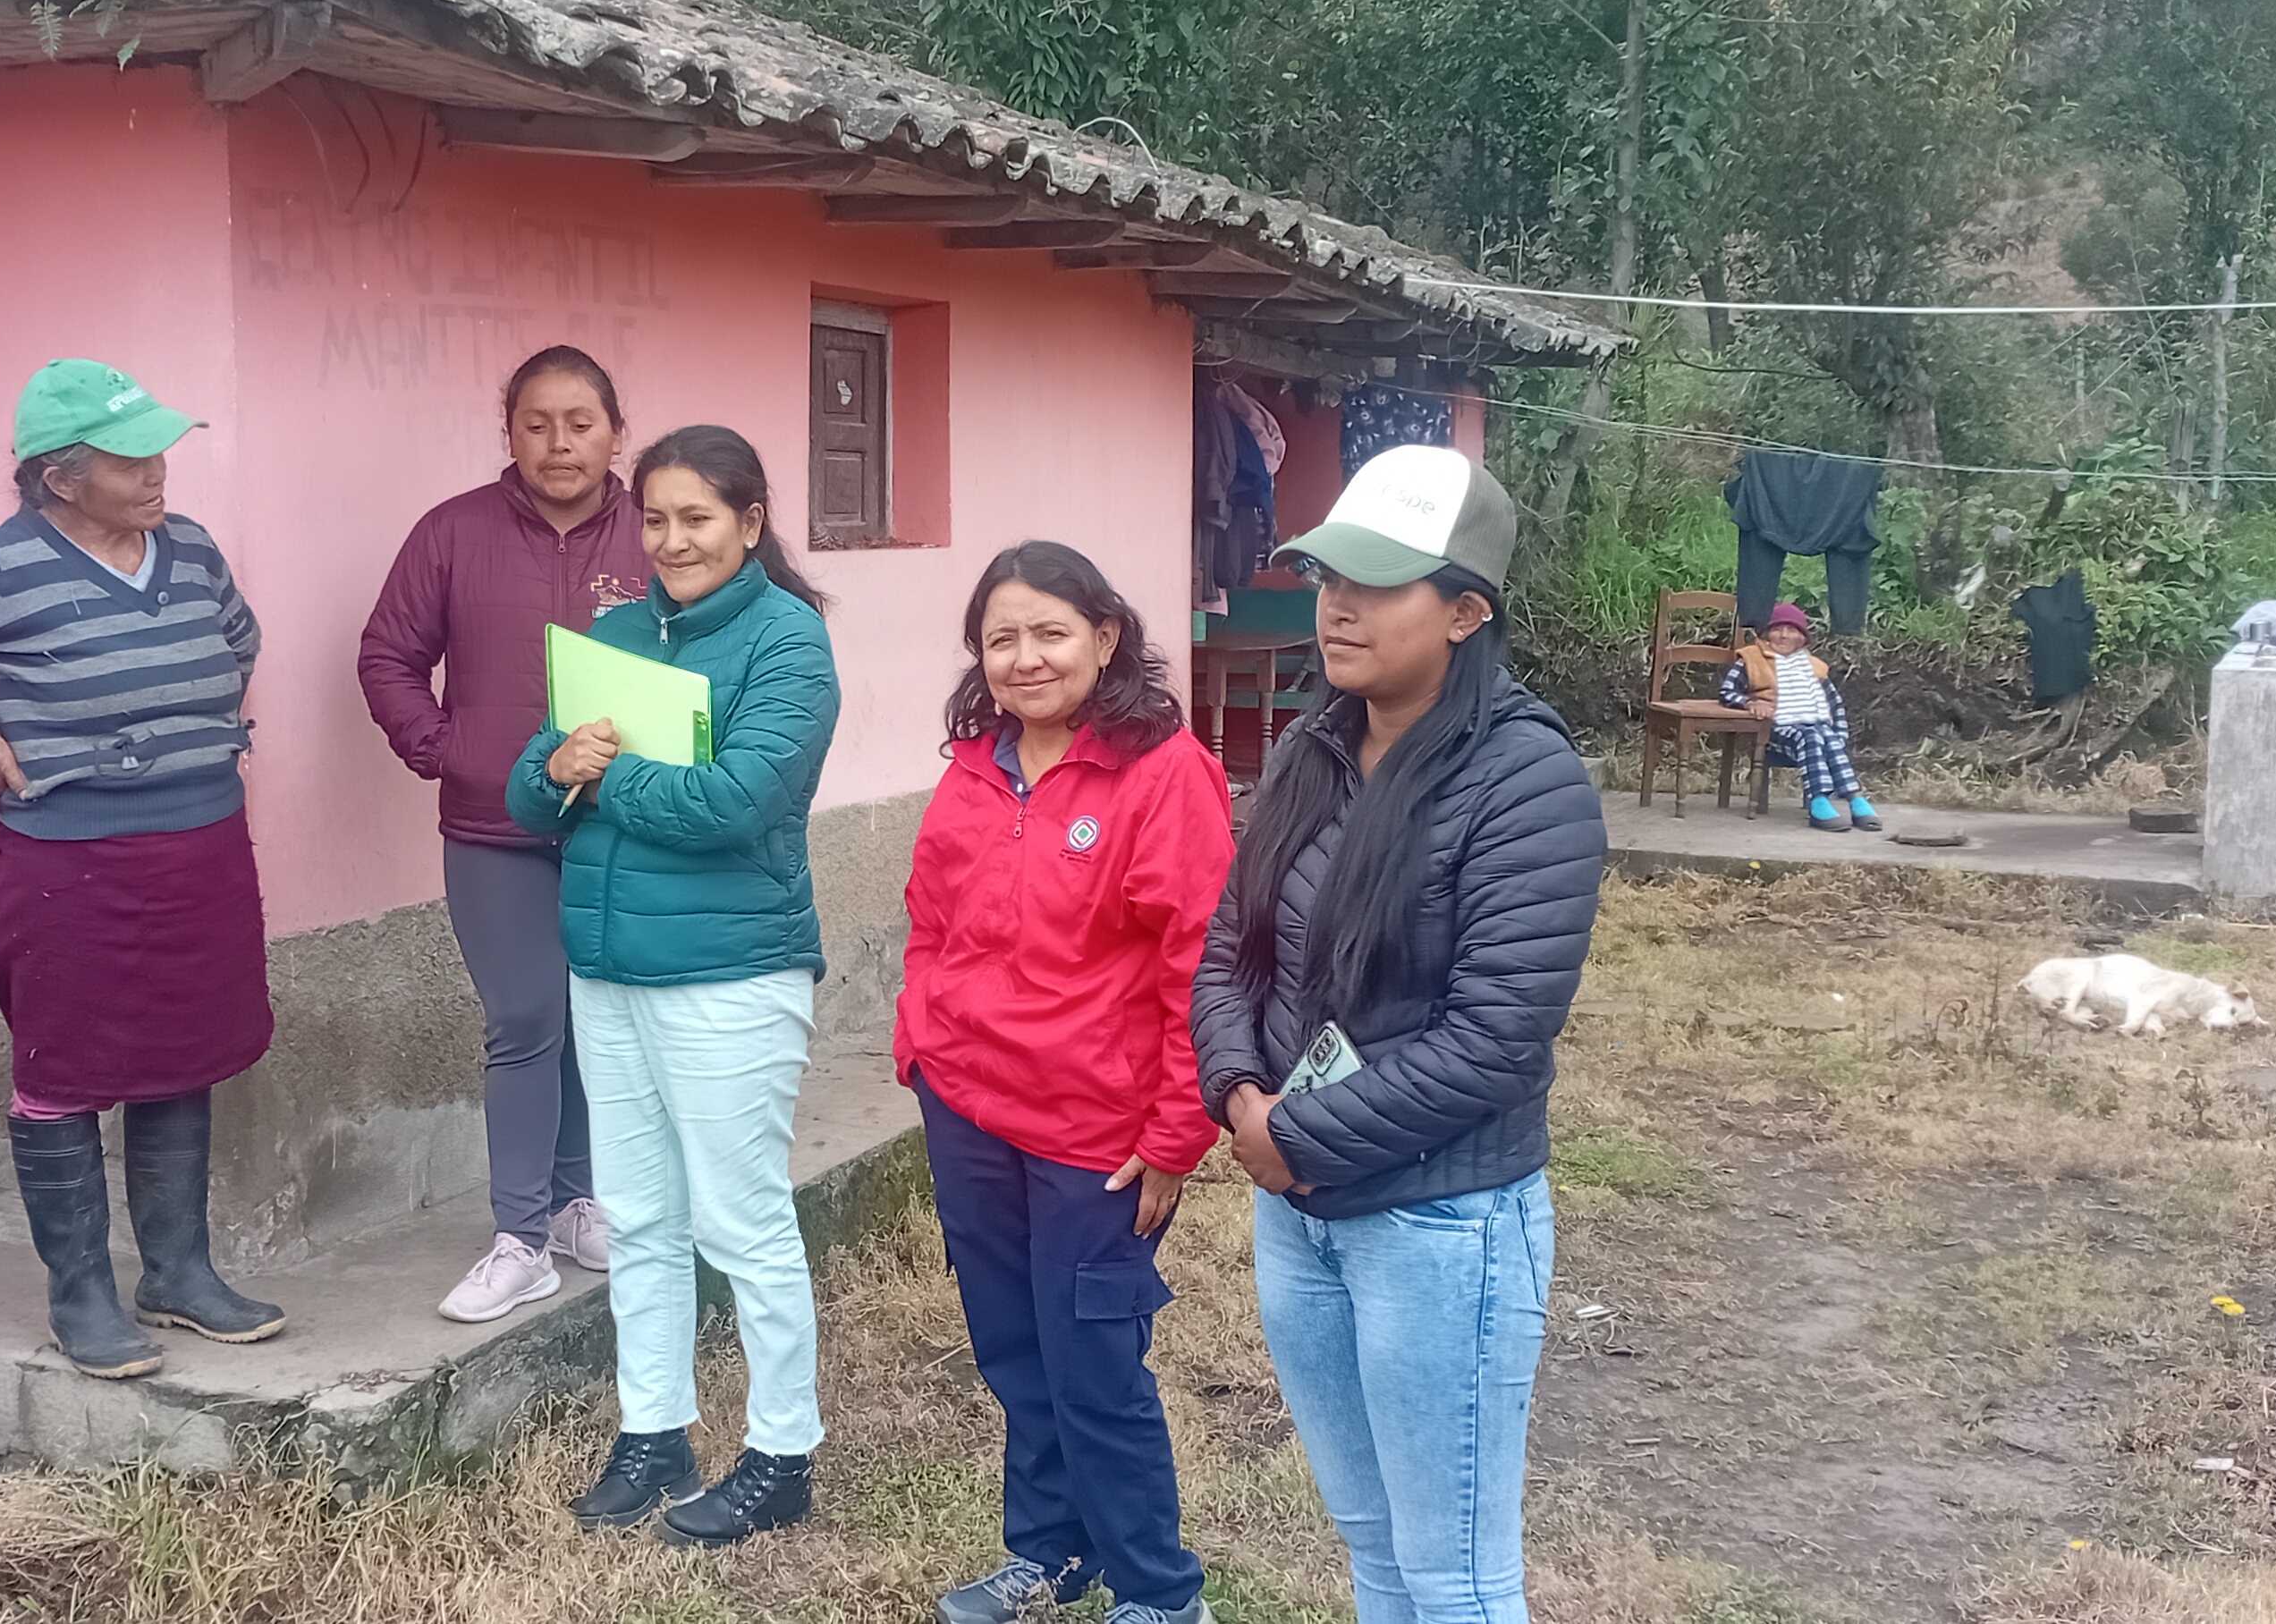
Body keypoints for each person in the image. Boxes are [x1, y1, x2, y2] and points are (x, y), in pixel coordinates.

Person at [1192, 444, 1606, 1623]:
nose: (1338, 606)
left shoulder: (1527, 781)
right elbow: (1230, 953)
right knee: (1374, 1550)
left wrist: (1294, 1138)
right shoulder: (1312, 748)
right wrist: (1241, 1095)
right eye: (1331, 577)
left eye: (1377, 584)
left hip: (1441, 1228)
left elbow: (1496, 1038)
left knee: (1455, 1577)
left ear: (1467, 612)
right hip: (1301, 1219)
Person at [0, 359, 284, 1381]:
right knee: (63, 1069)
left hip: (203, 842)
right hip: (74, 859)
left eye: (160, 451)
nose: (158, 472)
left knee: (184, 1052)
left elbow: (239, 638)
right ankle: (82, 1296)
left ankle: (180, 1274)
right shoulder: (2, 566)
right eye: (131, 459)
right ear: (61, 478)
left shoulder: (190, 547)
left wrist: (187, 732)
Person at [508, 425, 842, 1548]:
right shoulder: (613, 636)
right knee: (641, 1217)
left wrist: (600, 777)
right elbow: (529, 787)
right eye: (654, 518)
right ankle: (653, 1432)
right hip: (607, 970)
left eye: (697, 517)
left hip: (729, 976)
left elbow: (734, 804)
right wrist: (561, 769)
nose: (672, 539)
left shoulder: (788, 642)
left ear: (750, 522)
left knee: (740, 1221)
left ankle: (782, 1453)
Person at [900, 542, 1234, 1624]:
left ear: (1105, 637)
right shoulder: (975, 767)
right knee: (1014, 1350)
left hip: (1097, 1132)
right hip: (969, 1111)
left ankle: (1160, 1592)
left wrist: (1176, 1132)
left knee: (1094, 1364)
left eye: (1050, 632)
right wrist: (921, 1045)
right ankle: (1049, 1553)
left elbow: (1202, 960)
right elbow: (930, 921)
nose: (1026, 658)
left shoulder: (1162, 772)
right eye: (1002, 639)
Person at [359, 345, 654, 1323]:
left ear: (616, 432)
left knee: (594, 1018)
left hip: (623, 823)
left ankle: (575, 1204)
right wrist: (448, 751)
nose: (559, 443)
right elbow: (389, 655)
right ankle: (520, 1239)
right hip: (493, 827)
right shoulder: (453, 533)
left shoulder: (654, 535)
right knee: (525, 1018)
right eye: (537, 424)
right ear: (510, 433)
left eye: (580, 423)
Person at [1715, 602, 1880, 832]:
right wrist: (1750, 703)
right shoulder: (1752, 659)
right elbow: (1727, 692)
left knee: (1828, 737)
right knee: (1811, 736)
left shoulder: (1813, 666)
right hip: (1774, 730)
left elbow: (1835, 705)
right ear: (1766, 633)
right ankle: (1819, 803)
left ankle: (1855, 799)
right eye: (1777, 629)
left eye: (1791, 630)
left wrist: (1840, 735)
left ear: (1802, 638)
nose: (1784, 635)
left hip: (1816, 727)